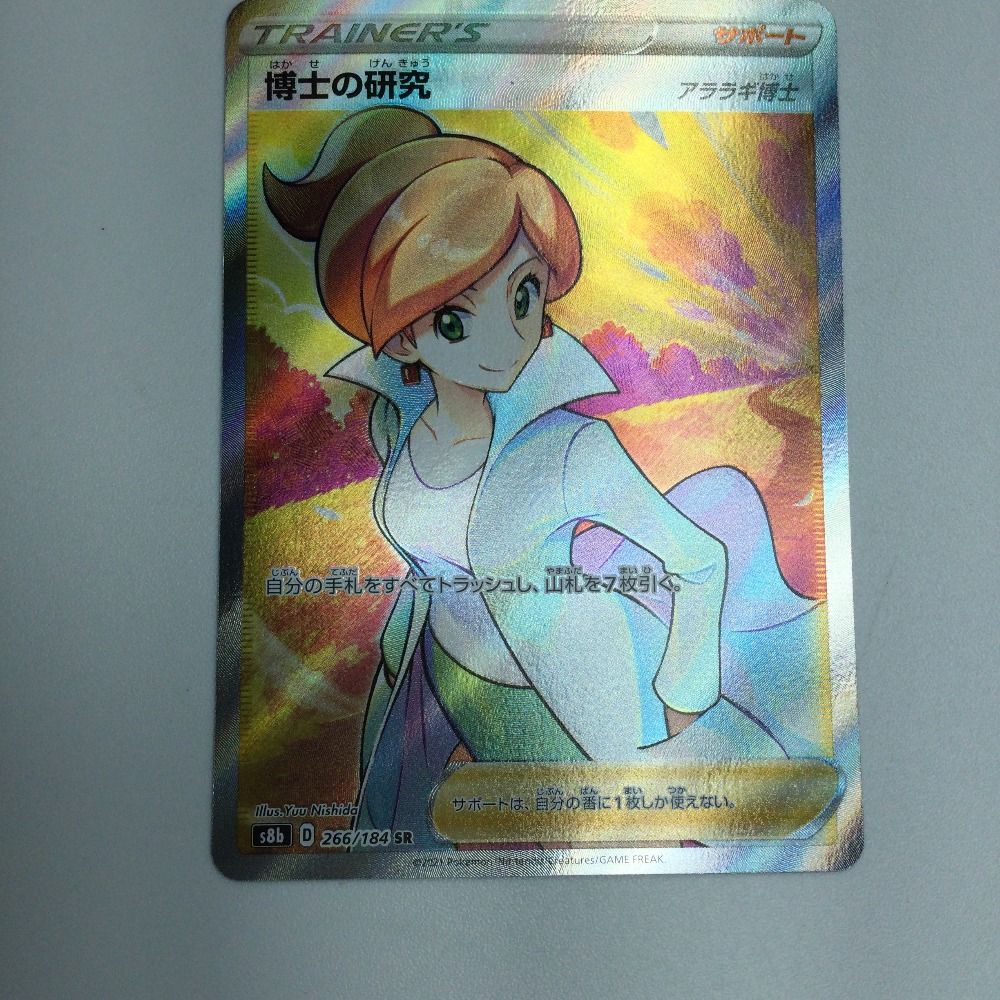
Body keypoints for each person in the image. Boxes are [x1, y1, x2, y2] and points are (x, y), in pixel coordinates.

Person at [264, 107, 820, 844]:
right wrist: (400, 685)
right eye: (455, 319)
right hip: (453, 688)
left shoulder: (570, 450)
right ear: (399, 337)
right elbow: (428, 575)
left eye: (523, 295)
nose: (507, 338)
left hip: (586, 697)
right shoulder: (398, 426)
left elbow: (699, 559)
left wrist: (683, 703)